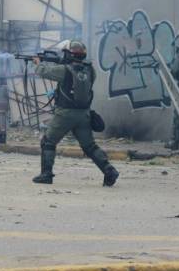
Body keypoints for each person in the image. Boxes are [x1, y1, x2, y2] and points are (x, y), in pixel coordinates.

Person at [32, 40, 119, 186]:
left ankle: (46, 175)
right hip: (83, 114)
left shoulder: (65, 70)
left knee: (48, 142)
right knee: (89, 146)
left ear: (68, 54)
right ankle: (109, 170)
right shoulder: (90, 70)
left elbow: (43, 71)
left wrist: (37, 63)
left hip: (64, 114)